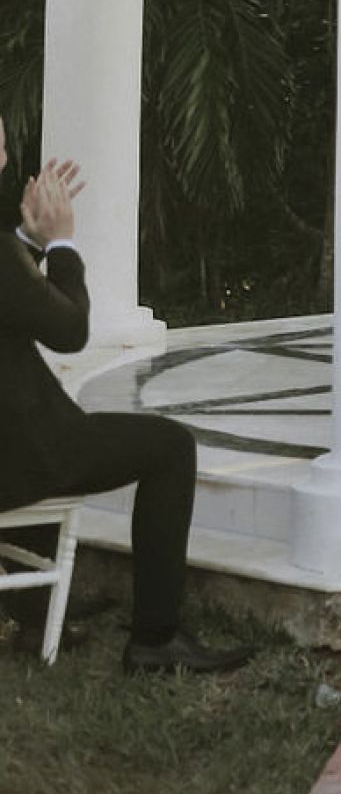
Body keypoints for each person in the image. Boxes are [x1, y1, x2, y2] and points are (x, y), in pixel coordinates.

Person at [0, 114, 250, 672]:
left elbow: (13, 299)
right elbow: (69, 332)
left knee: (47, 436)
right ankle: (157, 640)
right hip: (20, 464)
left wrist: (27, 242)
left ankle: (39, 613)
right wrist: (61, 244)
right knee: (169, 447)